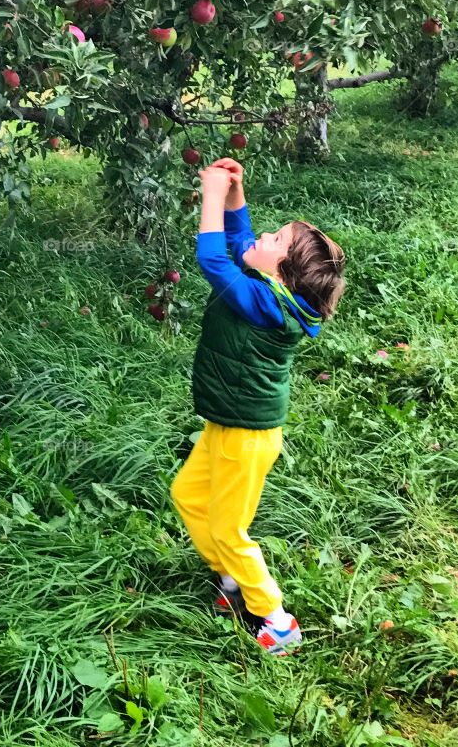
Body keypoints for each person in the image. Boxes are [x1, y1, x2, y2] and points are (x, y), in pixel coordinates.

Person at [171, 158, 346, 655]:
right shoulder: (273, 291)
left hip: (247, 436)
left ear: (283, 271)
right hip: (229, 424)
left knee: (229, 527)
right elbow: (241, 246)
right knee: (187, 494)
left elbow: (214, 261)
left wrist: (210, 192)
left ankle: (274, 617)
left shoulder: (265, 304)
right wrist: (235, 196)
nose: (263, 236)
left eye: (276, 240)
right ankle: (231, 584)